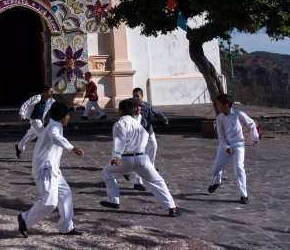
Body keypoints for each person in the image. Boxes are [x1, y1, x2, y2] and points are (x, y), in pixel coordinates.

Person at [99, 98, 180, 217]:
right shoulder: (138, 122)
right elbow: (139, 122)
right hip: (142, 159)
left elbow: (119, 142)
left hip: (125, 159)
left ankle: (114, 201)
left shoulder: (119, 124)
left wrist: (115, 157)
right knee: (157, 181)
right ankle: (172, 207)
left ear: (120, 111)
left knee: (107, 172)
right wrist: (137, 111)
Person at [17, 101, 84, 238]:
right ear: (61, 116)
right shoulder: (54, 127)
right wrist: (72, 148)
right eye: (67, 114)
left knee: (65, 195)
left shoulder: (56, 125)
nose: (69, 117)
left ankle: (66, 227)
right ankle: (24, 219)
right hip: (44, 169)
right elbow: (56, 137)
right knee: (50, 202)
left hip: (53, 169)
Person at [208, 93, 259, 205]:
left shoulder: (238, 114)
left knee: (239, 168)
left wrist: (255, 137)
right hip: (225, 145)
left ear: (227, 105)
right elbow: (220, 135)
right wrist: (226, 147)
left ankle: (244, 195)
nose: (217, 107)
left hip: (238, 144)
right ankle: (217, 182)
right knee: (216, 168)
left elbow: (251, 123)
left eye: (219, 104)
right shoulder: (219, 118)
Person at [131, 87, 168, 191]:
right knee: (141, 156)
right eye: (134, 96)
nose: (135, 98)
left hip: (149, 131)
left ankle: (150, 166)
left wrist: (164, 118)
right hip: (139, 134)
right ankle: (138, 181)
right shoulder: (131, 106)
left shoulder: (146, 105)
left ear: (142, 96)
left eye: (137, 96)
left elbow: (155, 112)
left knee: (154, 146)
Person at [15, 86, 53, 159]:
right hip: (34, 120)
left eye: (52, 92)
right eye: (49, 91)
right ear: (44, 92)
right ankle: (44, 156)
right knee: (44, 137)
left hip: (40, 120)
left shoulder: (50, 100)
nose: (51, 93)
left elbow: (52, 108)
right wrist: (21, 113)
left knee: (30, 135)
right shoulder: (36, 98)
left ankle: (19, 147)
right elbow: (26, 103)